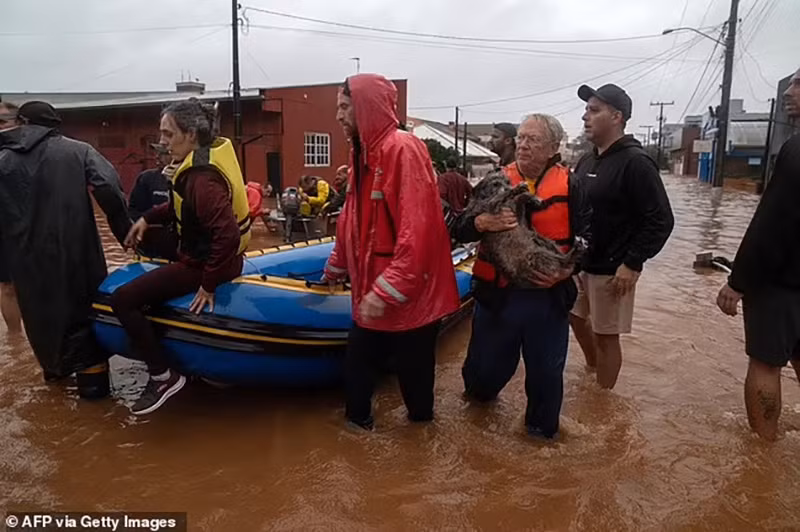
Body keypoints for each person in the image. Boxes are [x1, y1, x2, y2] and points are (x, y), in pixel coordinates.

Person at [324, 73, 459, 430]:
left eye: (343, 107)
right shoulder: (361, 154)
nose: (337, 116)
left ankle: (417, 463)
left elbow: (419, 229)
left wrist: (387, 289)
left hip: (410, 299)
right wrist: (336, 266)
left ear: (364, 107)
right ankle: (361, 465)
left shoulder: (403, 149)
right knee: (356, 387)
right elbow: (352, 219)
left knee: (417, 401)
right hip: (373, 292)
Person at [452, 113, 591, 440]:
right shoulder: (496, 180)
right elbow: (456, 227)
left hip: (548, 300)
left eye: (534, 140)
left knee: (545, 379)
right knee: (483, 380)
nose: (523, 145)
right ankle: (475, 433)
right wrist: (482, 224)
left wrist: (568, 270)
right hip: (497, 299)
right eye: (522, 138)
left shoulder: (573, 185)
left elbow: (591, 237)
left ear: (553, 148)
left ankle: (541, 445)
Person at [111, 98, 252, 415]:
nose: (162, 142)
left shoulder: (203, 180)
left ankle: (163, 377)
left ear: (191, 134)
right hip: (203, 255)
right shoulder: (200, 160)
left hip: (209, 264)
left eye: (168, 134)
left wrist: (209, 284)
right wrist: (147, 218)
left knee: (122, 300)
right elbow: (181, 205)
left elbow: (227, 235)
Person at [0, 100, 130, 391]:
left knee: (43, 329)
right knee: (85, 332)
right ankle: (94, 400)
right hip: (78, 257)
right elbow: (108, 188)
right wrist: (125, 234)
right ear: (55, 126)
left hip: (27, 265)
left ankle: (54, 381)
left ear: (22, 123)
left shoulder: (4, 161)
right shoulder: (78, 150)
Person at [569, 84, 674, 390]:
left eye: (594, 110)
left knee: (606, 336)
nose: (585, 116)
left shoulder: (636, 163)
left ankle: (603, 402)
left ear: (616, 117)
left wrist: (632, 263)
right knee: (575, 319)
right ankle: (593, 370)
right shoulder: (586, 161)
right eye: (586, 109)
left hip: (614, 270)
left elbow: (660, 220)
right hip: (581, 264)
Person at [716, 68, 800, 441]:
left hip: (781, 282)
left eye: (799, 85)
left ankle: (763, 450)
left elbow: (773, 220)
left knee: (766, 364)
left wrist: (738, 281)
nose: (789, 92)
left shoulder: (796, 149)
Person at [129, 143, 177, 260]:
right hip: (150, 253)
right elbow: (133, 212)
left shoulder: (188, 179)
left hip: (181, 255)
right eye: (157, 153)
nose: (157, 157)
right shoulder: (146, 179)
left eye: (162, 154)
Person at [0, 102, 23, 334]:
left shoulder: (33, 150)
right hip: (3, 227)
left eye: (3, 122)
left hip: (33, 225)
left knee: (41, 284)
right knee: (7, 287)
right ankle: (16, 341)